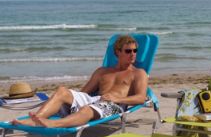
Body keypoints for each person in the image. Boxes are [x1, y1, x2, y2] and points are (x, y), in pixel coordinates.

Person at [12, 35, 148, 128]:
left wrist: (118, 98)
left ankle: (53, 124)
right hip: (94, 99)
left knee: (87, 109)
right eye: (128, 51)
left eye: (135, 50)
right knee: (62, 91)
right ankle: (35, 119)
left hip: (115, 105)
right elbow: (83, 93)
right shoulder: (102, 71)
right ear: (118, 52)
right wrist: (67, 99)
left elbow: (141, 98)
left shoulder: (138, 73)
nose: (133, 54)